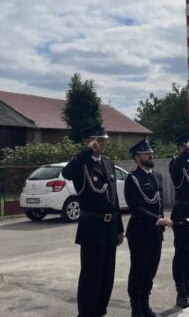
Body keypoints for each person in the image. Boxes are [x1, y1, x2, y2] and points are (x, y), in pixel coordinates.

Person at [61, 126, 125, 317]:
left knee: (107, 276)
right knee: (91, 276)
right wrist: (87, 151)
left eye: (104, 140)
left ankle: (100, 312)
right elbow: (67, 173)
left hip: (110, 228)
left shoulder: (107, 162)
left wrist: (120, 228)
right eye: (98, 140)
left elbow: (113, 199)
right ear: (87, 141)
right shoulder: (81, 163)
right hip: (92, 229)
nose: (102, 143)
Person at [125, 139, 172, 317]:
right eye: (146, 154)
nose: (151, 156)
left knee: (151, 270)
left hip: (156, 233)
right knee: (138, 270)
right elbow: (136, 207)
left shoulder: (157, 175)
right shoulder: (132, 178)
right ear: (137, 158)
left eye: (151, 153)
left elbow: (158, 204)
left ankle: (145, 305)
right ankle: (136, 307)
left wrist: (161, 224)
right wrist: (157, 220)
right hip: (140, 232)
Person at [169, 134, 189, 307]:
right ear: (179, 148)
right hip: (181, 212)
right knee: (181, 254)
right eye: (184, 148)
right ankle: (181, 292)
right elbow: (178, 167)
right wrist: (187, 152)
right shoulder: (175, 164)